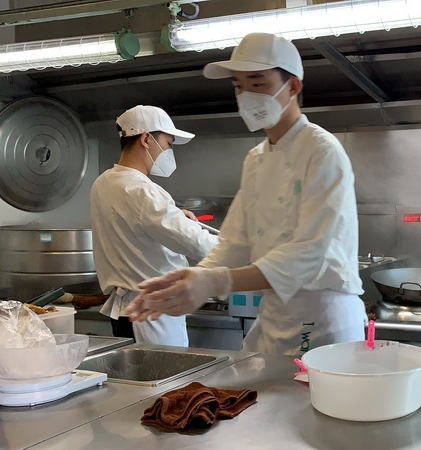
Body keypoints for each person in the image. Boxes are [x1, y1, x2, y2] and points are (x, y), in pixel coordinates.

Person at [125, 32, 366, 355]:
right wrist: (194, 278)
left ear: (293, 86)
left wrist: (216, 282)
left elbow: (307, 253)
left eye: (258, 83)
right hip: (275, 313)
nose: (246, 95)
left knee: (313, 389)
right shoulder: (256, 159)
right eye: (238, 86)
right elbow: (235, 243)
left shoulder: (322, 151)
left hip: (322, 316)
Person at [91, 105, 219, 346]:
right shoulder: (142, 191)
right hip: (150, 315)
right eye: (168, 144)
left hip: (124, 311)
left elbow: (135, 227)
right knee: (163, 371)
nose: (169, 152)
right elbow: (199, 244)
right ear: (146, 139)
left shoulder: (103, 183)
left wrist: (174, 215)